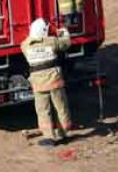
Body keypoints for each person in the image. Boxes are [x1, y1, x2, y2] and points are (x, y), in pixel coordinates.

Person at [21, 18, 72, 147]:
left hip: (38, 84)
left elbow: (28, 41)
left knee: (43, 110)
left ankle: (48, 137)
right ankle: (63, 133)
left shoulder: (25, 45)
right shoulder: (51, 42)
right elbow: (66, 44)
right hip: (55, 81)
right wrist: (64, 32)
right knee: (60, 107)